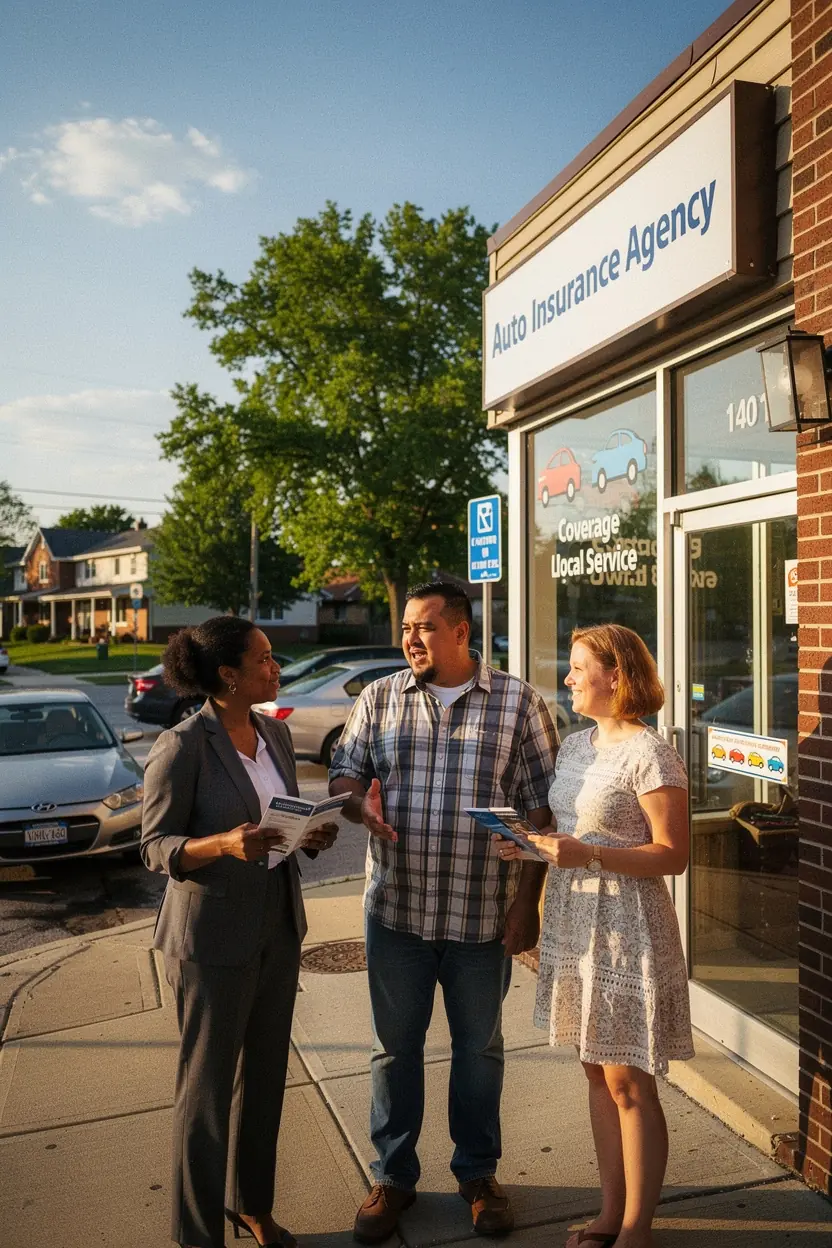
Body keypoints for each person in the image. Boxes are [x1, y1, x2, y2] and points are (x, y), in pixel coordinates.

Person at [329, 582, 558, 1243]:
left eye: (423, 627)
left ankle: (478, 1174)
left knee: (479, 1050)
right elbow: (345, 774)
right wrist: (357, 805)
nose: (409, 638)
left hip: (482, 916)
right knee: (391, 1052)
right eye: (405, 627)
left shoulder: (519, 704)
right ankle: (393, 1176)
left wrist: (527, 903)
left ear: (460, 632)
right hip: (396, 911)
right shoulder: (378, 698)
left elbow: (543, 812)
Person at [141, 616, 338, 1248]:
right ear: (228, 675)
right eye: (265, 659)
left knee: (267, 1082)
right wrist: (223, 844)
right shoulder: (182, 746)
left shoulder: (274, 735)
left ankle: (252, 1205)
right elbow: (155, 848)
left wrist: (309, 836)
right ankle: (197, 1236)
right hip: (210, 941)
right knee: (205, 1096)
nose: (275, 667)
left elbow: (277, 822)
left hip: (278, 928)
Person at [495, 624, 693, 1248]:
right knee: (595, 1075)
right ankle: (610, 1214)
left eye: (580, 667)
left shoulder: (652, 753)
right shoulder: (575, 746)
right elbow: (567, 832)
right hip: (574, 921)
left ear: (617, 676)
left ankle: (636, 1228)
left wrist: (592, 856)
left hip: (628, 926)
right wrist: (528, 845)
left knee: (629, 1081)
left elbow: (673, 855)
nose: (569, 678)